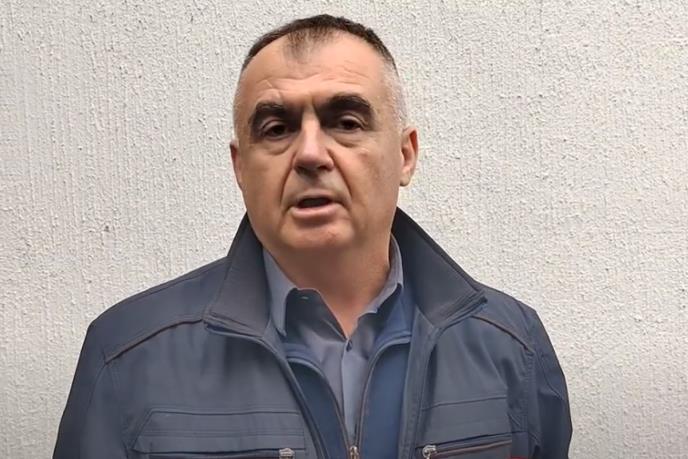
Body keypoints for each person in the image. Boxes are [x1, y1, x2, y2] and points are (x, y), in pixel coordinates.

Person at [54, 14, 571, 459]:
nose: (309, 154)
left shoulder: (510, 346)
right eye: (276, 129)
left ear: (405, 155)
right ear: (240, 167)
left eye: (345, 121)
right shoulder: (127, 357)